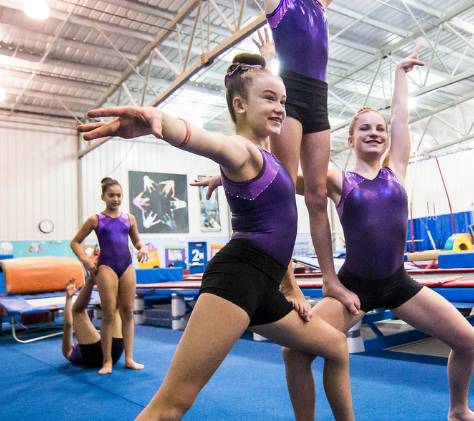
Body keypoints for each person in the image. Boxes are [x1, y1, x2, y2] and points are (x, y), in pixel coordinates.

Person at [194, 46, 474, 421]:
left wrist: (400, 74)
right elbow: (280, 179)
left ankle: (459, 409)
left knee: (468, 340)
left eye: (379, 129)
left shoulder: (395, 170)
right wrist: (225, 176)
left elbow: (401, 117)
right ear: (350, 140)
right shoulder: (338, 180)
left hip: (399, 283)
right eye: (364, 129)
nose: (375, 133)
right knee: (294, 351)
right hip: (354, 287)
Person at [77, 53, 355, 421]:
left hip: (264, 286)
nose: (280, 109)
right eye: (269, 99)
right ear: (239, 105)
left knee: (335, 346)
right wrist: (161, 122)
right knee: (172, 404)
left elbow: (264, 189)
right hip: (238, 280)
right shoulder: (240, 149)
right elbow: (210, 144)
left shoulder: (265, 157)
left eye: (283, 101)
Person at [199, 0, 381, 315]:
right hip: (291, 94)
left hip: (318, 96)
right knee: (281, 190)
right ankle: (286, 283)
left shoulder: (320, 2)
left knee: (318, 193)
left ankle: (328, 280)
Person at [71, 177, 148, 374]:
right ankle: (107, 361)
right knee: (108, 312)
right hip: (106, 266)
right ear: (103, 196)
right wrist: (85, 259)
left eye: (119, 195)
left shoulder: (129, 218)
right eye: (111, 195)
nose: (115, 199)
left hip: (126, 265)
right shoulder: (95, 219)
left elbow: (137, 241)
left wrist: (143, 247)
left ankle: (129, 359)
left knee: (128, 312)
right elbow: (75, 242)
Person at [62, 275, 125, 369]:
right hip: (101, 355)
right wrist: (69, 298)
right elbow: (68, 325)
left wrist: (69, 298)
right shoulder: (72, 352)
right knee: (78, 311)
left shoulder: (70, 354)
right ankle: (95, 278)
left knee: (115, 308)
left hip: (115, 355)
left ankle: (106, 276)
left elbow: (68, 325)